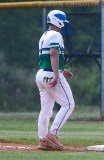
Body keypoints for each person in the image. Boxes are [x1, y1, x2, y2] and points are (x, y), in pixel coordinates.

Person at [35, 10, 75, 150]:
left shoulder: (44, 35)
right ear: (57, 21)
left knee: (46, 109)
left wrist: (62, 70)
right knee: (69, 104)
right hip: (51, 74)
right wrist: (58, 74)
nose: (63, 24)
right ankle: (52, 135)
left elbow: (46, 57)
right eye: (63, 22)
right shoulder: (56, 34)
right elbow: (53, 53)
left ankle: (43, 139)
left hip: (41, 74)